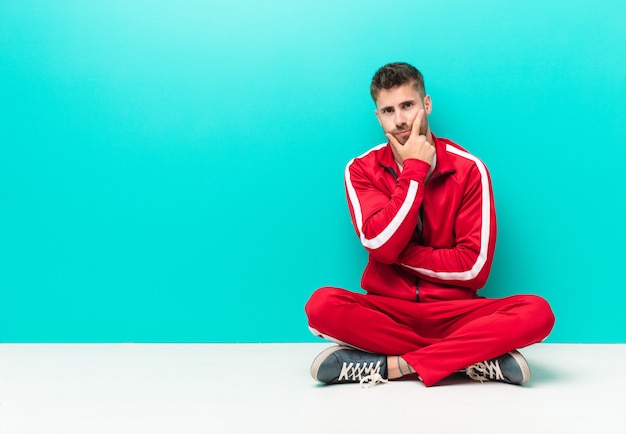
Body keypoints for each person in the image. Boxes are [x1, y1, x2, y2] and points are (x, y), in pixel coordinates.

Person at [305, 62, 555, 387]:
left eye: (408, 105)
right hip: (387, 312)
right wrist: (415, 169)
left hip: (455, 314)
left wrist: (395, 254)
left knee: (537, 313)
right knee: (321, 307)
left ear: (426, 105)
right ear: (378, 117)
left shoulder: (469, 169)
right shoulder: (361, 169)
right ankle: (471, 359)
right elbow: (381, 243)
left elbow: (472, 268)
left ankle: (389, 366)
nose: (400, 120)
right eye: (388, 110)